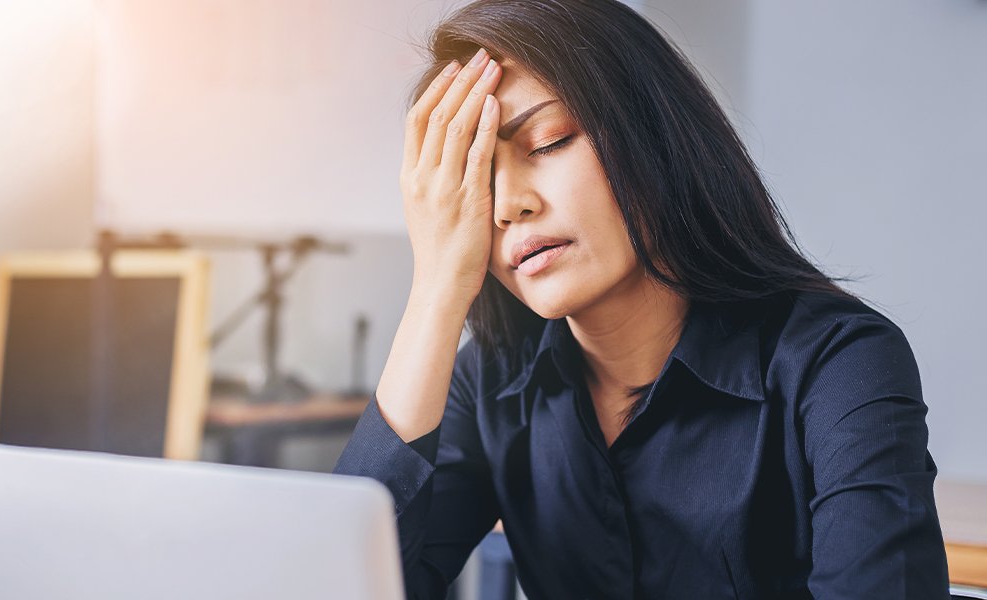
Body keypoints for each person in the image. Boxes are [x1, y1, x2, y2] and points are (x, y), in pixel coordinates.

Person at [333, 0, 949, 598]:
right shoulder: (491, 383)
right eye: (474, 178)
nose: (507, 205)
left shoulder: (839, 361)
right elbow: (346, 583)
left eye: (546, 143)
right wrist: (436, 287)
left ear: (652, 131)